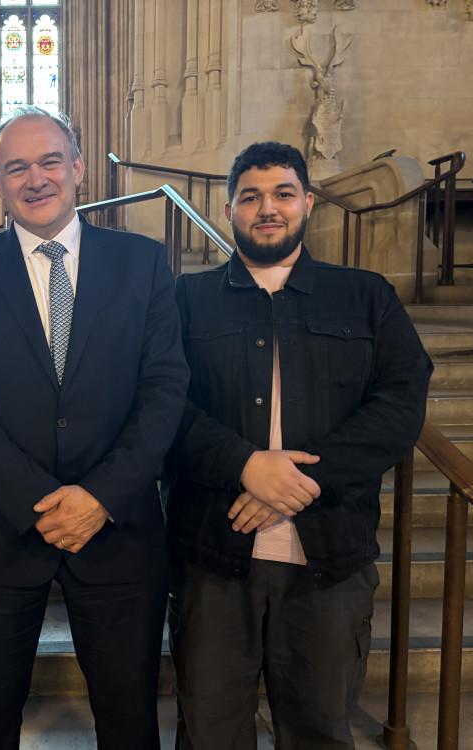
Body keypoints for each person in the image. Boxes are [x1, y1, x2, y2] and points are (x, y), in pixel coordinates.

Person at [0, 106, 190, 750]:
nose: (36, 178)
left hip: (119, 531)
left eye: (50, 161)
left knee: (129, 718)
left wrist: (100, 497)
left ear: (78, 167)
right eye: (16, 167)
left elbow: (164, 390)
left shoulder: (142, 262)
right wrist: (39, 501)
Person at [164, 141, 432, 749]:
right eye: (251, 196)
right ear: (228, 209)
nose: (268, 208)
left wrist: (301, 483)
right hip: (214, 552)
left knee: (318, 730)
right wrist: (245, 466)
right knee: (209, 731)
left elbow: (400, 401)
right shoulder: (186, 300)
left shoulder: (366, 296)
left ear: (308, 203)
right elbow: (164, 406)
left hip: (329, 556)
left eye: (283, 193)